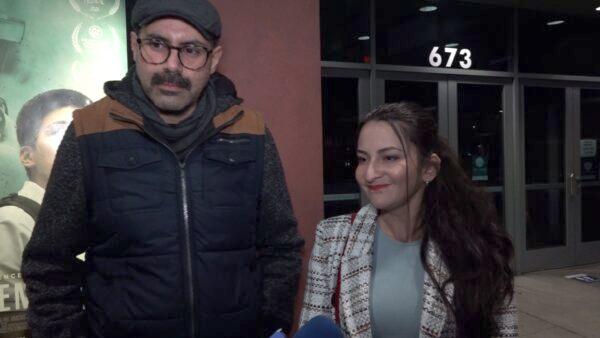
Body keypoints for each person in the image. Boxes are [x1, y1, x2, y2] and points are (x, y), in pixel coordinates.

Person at [21, 0, 304, 337]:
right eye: (157, 45)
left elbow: (281, 245)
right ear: (134, 45)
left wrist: (269, 324)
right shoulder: (89, 131)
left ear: (213, 59)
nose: (172, 65)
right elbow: (48, 263)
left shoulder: (251, 132)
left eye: (191, 50)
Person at [300, 102, 517, 338]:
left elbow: (502, 331)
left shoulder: (476, 241)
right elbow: (313, 325)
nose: (370, 173)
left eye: (390, 157)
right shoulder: (332, 238)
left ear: (429, 169)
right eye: (363, 159)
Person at [0, 89, 91, 312]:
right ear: (27, 156)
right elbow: (14, 324)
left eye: (82, 128)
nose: (74, 140)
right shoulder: (11, 222)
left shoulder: (97, 213)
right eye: (58, 130)